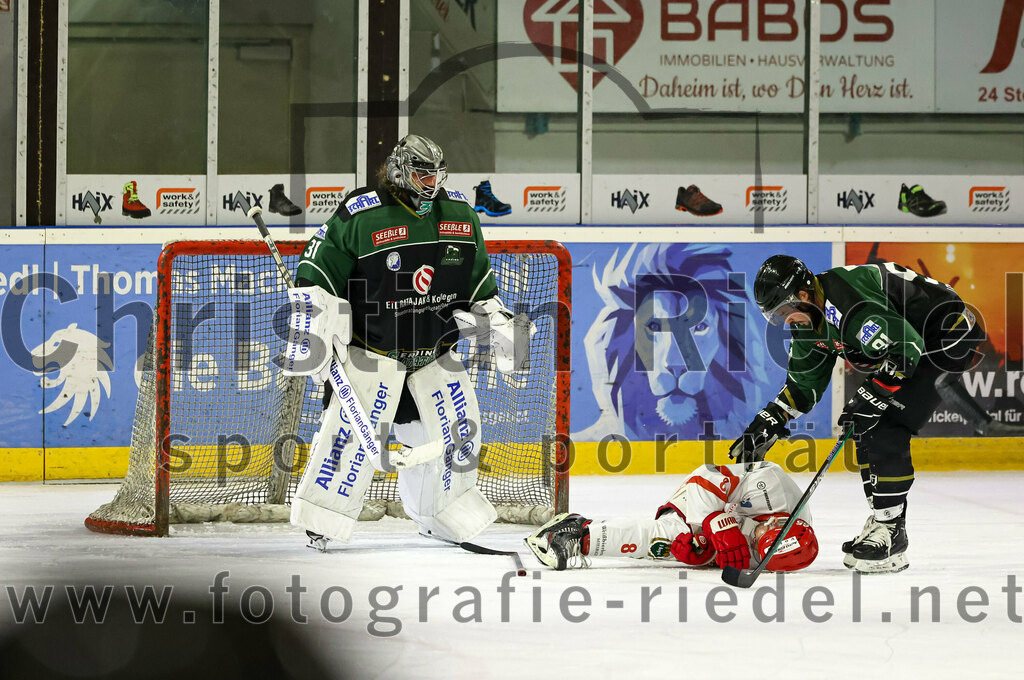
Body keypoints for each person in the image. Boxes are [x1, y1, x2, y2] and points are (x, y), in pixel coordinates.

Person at [283, 134, 532, 549]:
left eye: (436, 173)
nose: (430, 182)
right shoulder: (362, 213)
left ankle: (441, 513)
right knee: (348, 442)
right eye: (421, 173)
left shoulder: (459, 213)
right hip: (371, 355)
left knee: (454, 438)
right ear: (400, 169)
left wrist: (494, 315)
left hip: (435, 356)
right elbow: (319, 267)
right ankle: (323, 518)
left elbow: (478, 283)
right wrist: (313, 310)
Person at [729, 255, 983, 574]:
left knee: (883, 422)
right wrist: (771, 419)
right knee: (864, 420)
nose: (786, 321)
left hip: (944, 335)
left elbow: (905, 348)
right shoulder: (809, 318)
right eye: (776, 316)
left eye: (784, 310)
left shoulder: (850, 305)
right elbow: (803, 385)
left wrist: (874, 393)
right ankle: (884, 519)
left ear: (804, 295)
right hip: (911, 341)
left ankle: (891, 533)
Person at [525, 461, 818, 573]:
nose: (753, 543)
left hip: (724, 519)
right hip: (706, 500)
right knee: (664, 533)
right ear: (776, 521)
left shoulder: (772, 553)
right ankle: (575, 531)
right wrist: (714, 524)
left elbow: (723, 555)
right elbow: (704, 477)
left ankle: (584, 539)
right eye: (758, 537)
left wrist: (702, 553)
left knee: (674, 545)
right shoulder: (772, 484)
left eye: (757, 547)